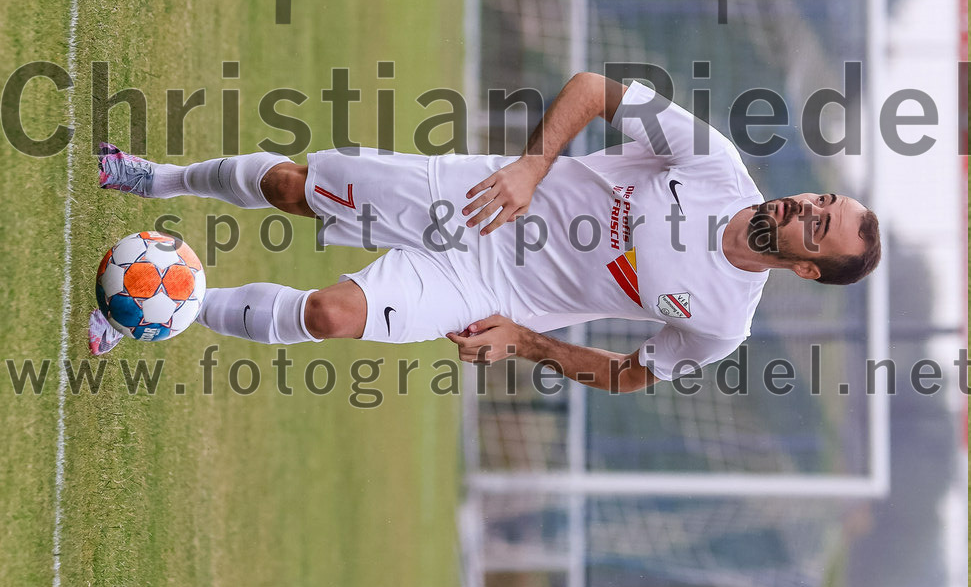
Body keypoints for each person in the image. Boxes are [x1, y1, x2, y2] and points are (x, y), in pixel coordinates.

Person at [93, 72, 881, 390]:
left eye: (821, 231)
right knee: (293, 189)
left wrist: (528, 343)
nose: (806, 211)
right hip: (477, 200)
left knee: (329, 316)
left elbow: (628, 375)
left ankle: (163, 305)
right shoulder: (713, 160)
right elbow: (596, 89)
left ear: (808, 271)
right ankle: (156, 178)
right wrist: (533, 167)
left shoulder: (720, 325)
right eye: (819, 202)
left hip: (487, 288)